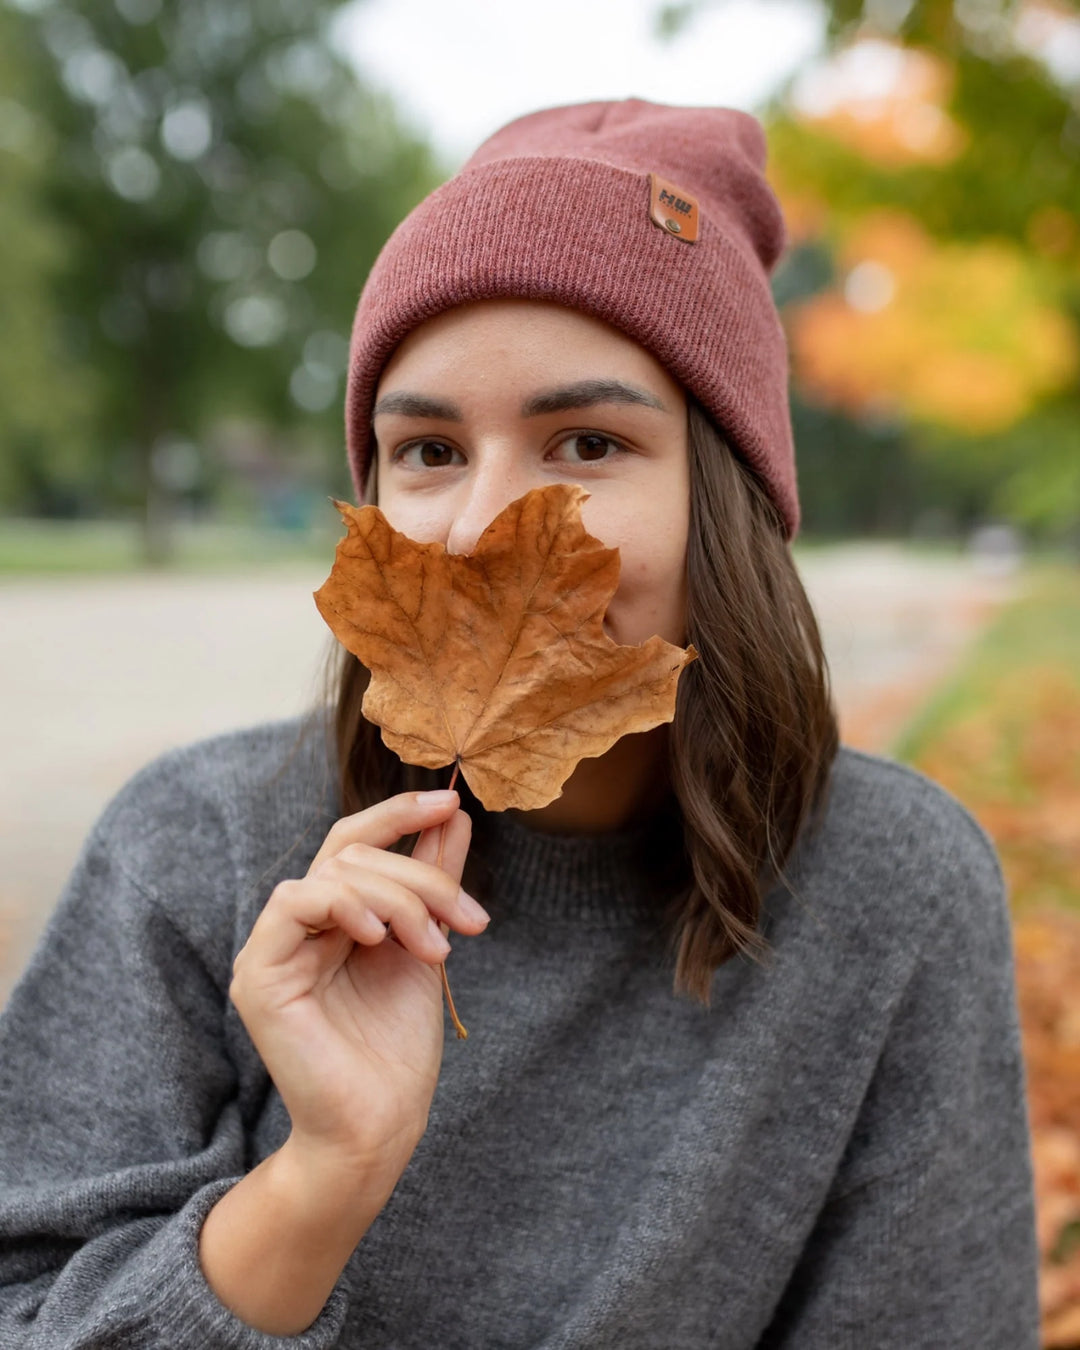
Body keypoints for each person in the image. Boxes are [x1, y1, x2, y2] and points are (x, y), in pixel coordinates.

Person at [0, 99, 1039, 1349]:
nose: (485, 524)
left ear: (729, 504)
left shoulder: (892, 887)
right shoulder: (194, 847)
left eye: (587, 442)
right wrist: (323, 1177)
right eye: (428, 449)